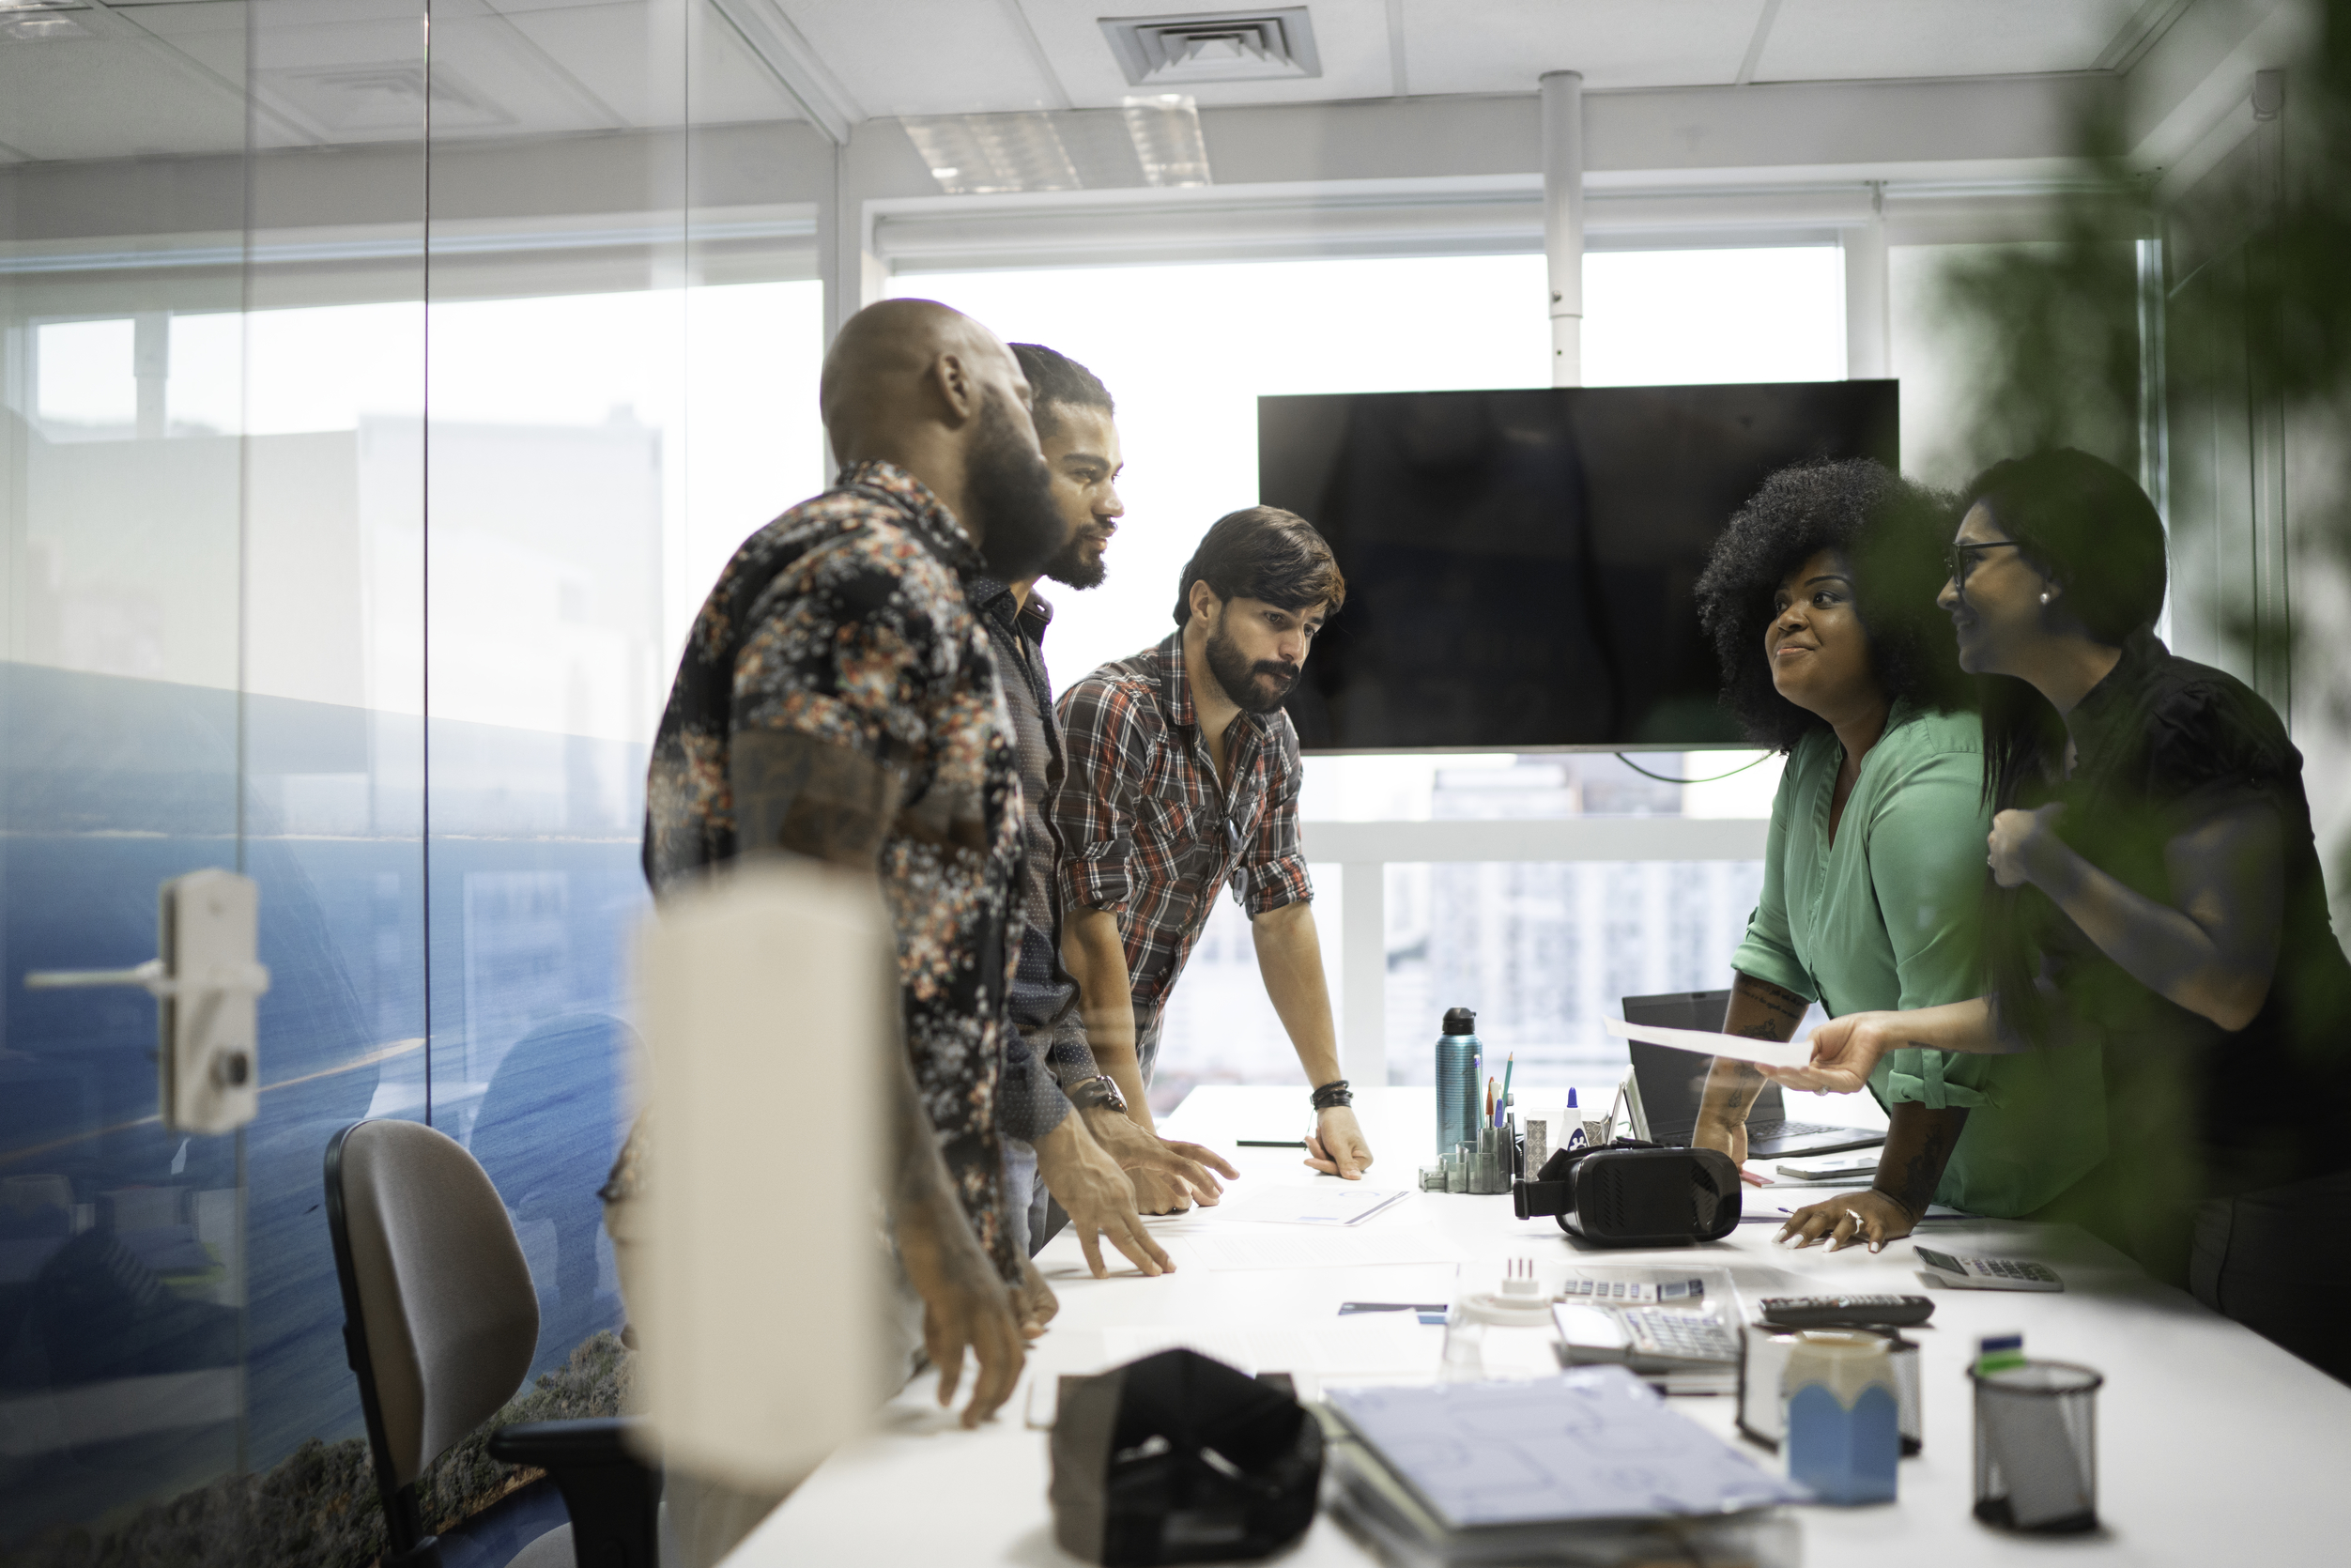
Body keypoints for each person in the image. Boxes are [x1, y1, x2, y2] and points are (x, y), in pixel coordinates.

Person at [627, 299, 1176, 1454]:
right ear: (953, 385)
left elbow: (935, 954)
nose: (1050, 458)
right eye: (1027, 411)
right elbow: (793, 936)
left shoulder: (913, 586)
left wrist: (972, 1213)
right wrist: (938, 1228)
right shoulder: (863, 573)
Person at [1768, 448, 2351, 1379]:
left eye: (1967, 562)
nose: (1943, 592)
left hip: (2278, 1171)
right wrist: (1886, 1027)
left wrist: (2050, 861)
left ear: (2052, 570)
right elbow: (2071, 1001)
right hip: (2178, 1173)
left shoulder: (2191, 718)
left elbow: (2226, 982)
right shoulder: (2064, 752)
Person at [1685, 460, 2104, 1251]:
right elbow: (1777, 954)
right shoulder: (1815, 762)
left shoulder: (1935, 771)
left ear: (1897, 620)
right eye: (1778, 603)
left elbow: (1944, 999)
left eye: (1826, 597)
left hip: (2057, 1201)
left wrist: (1892, 1198)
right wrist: (1717, 1121)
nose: (1788, 618)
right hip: (1963, 1200)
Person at [976, 342, 1239, 1252]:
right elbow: (924, 948)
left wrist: (1104, 1108)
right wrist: (1059, 1120)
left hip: (999, 1096)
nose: (1114, 503)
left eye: (1113, 474)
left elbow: (1028, 947)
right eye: (1084, 473)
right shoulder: (939, 643)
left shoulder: (1017, 640)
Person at [1055, 506, 1375, 1205]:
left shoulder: (1269, 738)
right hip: (1047, 1063)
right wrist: (1134, 1134)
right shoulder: (1114, 712)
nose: (1293, 648)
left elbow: (1282, 912)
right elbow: (1087, 928)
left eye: (1308, 628)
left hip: (1129, 1052)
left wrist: (1331, 1097)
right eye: (1274, 618)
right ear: (1204, 603)